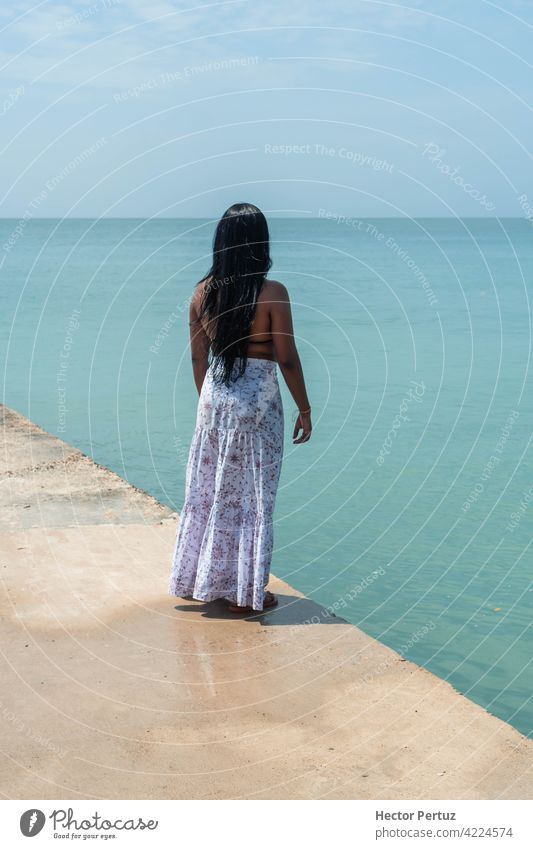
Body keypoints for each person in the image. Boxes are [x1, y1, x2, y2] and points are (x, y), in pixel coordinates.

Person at [168, 202, 312, 613]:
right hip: (258, 404)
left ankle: (203, 581)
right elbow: (285, 358)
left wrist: (209, 407)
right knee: (254, 499)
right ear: (259, 243)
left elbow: (199, 359)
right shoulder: (272, 293)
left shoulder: (201, 293)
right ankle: (246, 594)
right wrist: (304, 408)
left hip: (215, 399)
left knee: (210, 494)